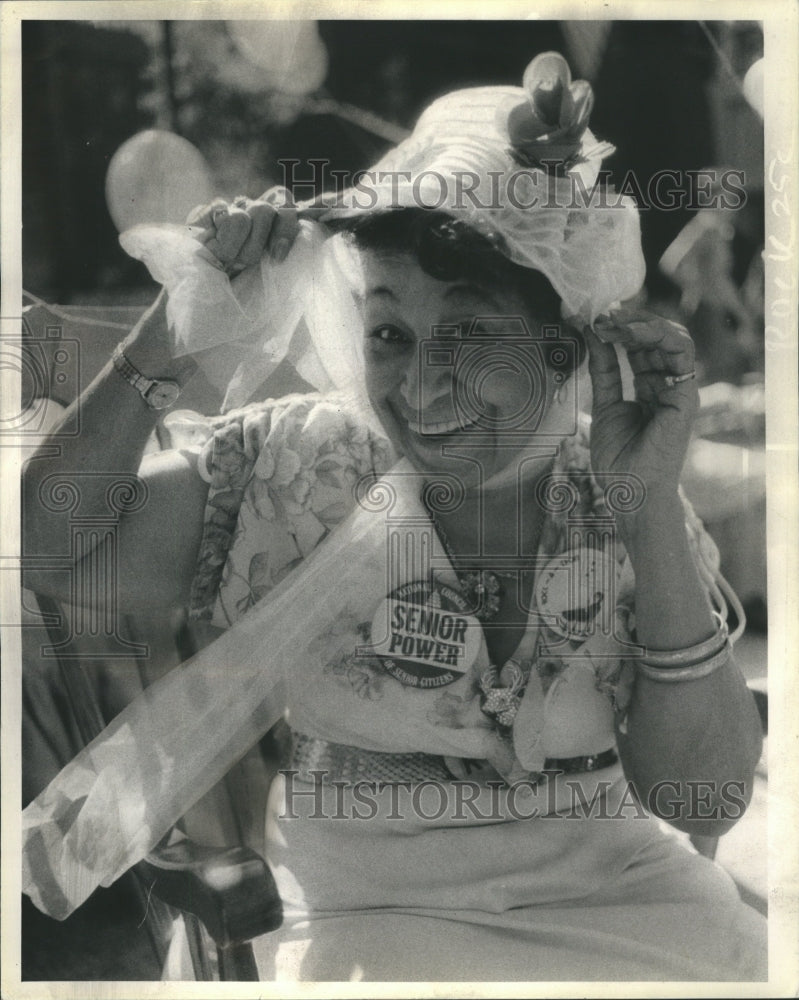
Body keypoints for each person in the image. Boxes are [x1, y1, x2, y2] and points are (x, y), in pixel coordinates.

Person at [21, 53, 766, 982]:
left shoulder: (617, 487)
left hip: (624, 907)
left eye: (469, 334)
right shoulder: (297, 466)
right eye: (389, 333)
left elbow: (705, 801)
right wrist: (172, 328)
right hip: (371, 921)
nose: (416, 385)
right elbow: (50, 545)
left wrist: (647, 506)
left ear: (561, 343)